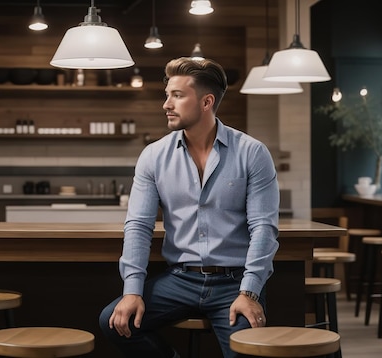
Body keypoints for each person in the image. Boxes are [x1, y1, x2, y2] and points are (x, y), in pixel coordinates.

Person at [99, 57, 280, 358]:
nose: (166, 104)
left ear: (207, 101)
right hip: (179, 279)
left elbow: (264, 228)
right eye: (167, 94)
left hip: (234, 283)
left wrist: (250, 292)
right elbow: (139, 226)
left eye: (177, 95)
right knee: (113, 321)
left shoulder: (252, 153)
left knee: (246, 351)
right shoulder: (153, 156)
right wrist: (132, 291)